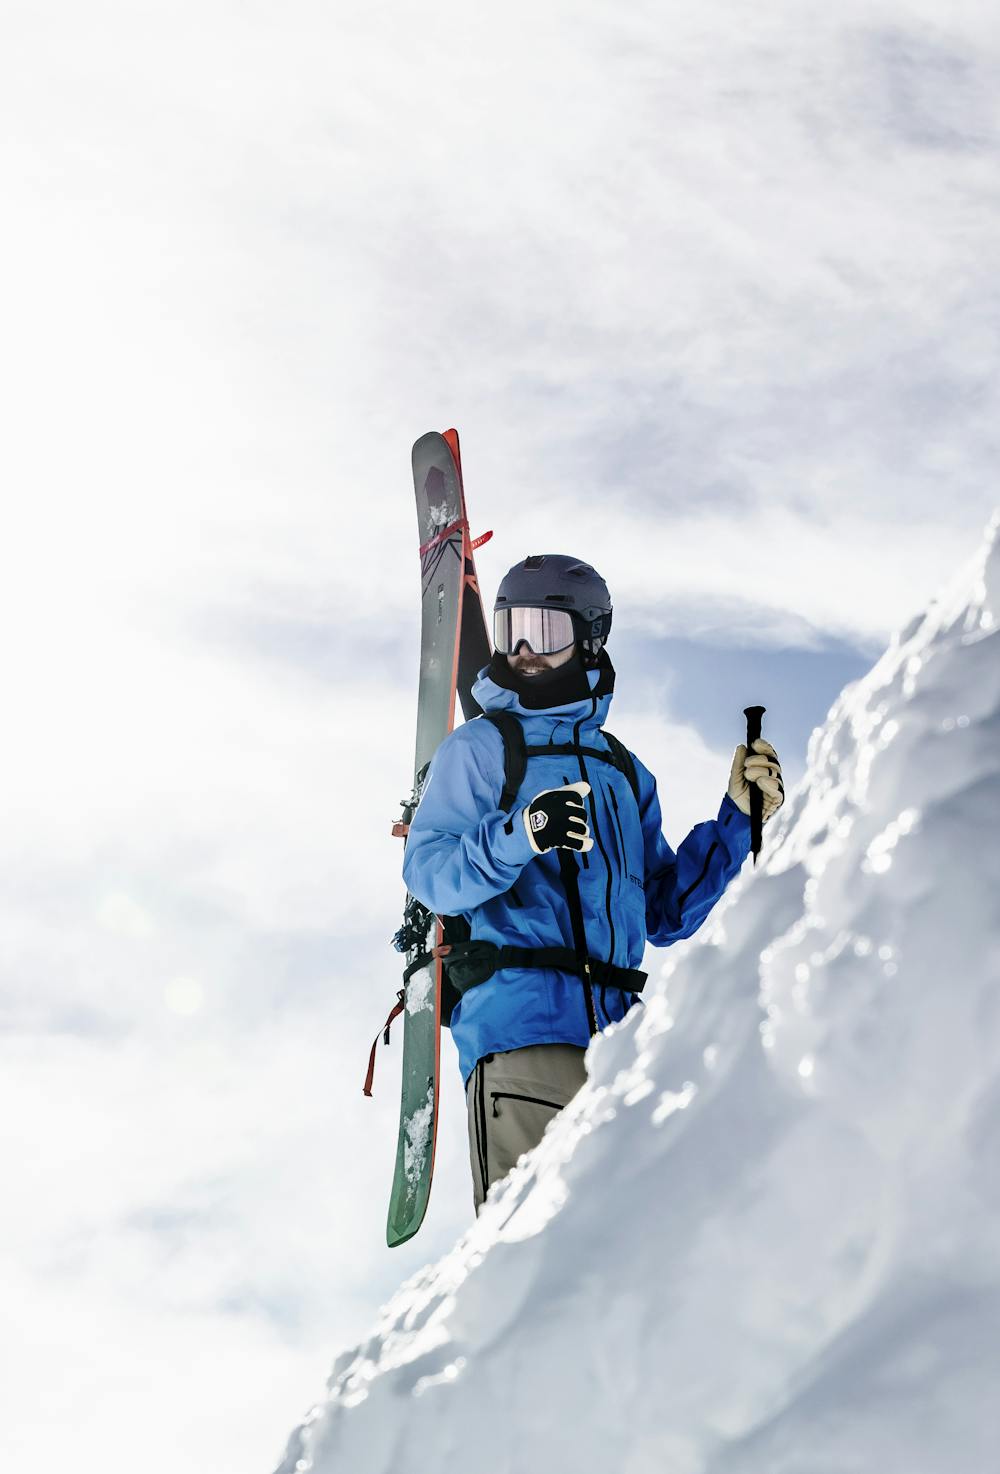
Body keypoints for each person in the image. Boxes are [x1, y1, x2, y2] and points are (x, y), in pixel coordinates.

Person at [403, 554, 784, 1212]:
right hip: (523, 1040)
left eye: (543, 632)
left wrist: (736, 822)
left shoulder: (622, 771)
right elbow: (431, 872)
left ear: (590, 639)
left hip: (621, 1056)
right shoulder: (484, 749)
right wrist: (522, 833)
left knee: (625, 1267)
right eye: (510, 630)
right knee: (537, 1260)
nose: (522, 650)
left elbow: (664, 911)